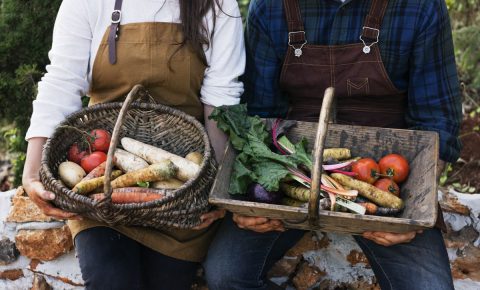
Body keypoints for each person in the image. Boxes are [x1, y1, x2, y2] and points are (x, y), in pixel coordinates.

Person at [204, 0, 462, 289]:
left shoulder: (420, 7)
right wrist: (250, 203)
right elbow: (261, 116)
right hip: (293, 177)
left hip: (383, 184)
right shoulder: (270, 7)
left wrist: (414, 212)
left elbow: (437, 120)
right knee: (226, 275)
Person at [22, 0, 245, 289]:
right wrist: (30, 173)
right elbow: (61, 83)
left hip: (179, 189)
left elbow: (221, 98)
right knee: (109, 280)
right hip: (101, 182)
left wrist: (215, 189)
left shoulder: (217, 4)